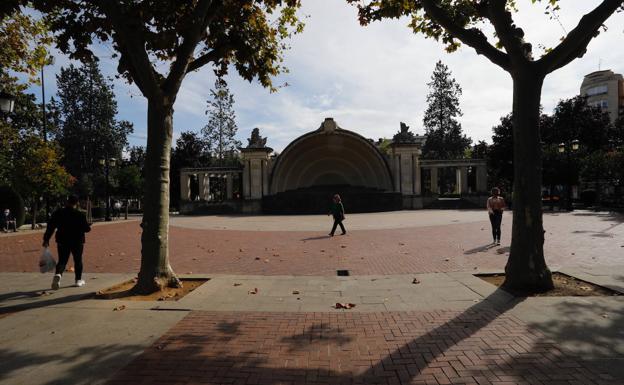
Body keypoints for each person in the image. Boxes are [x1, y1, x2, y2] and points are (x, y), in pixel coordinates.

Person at [43, 195, 91, 289]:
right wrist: (88, 225)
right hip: (77, 240)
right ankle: (78, 280)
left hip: (62, 240)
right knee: (77, 260)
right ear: (76, 203)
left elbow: (51, 227)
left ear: (67, 202)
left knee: (62, 260)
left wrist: (46, 239)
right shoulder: (80, 214)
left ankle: (58, 274)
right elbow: (87, 229)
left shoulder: (58, 213)